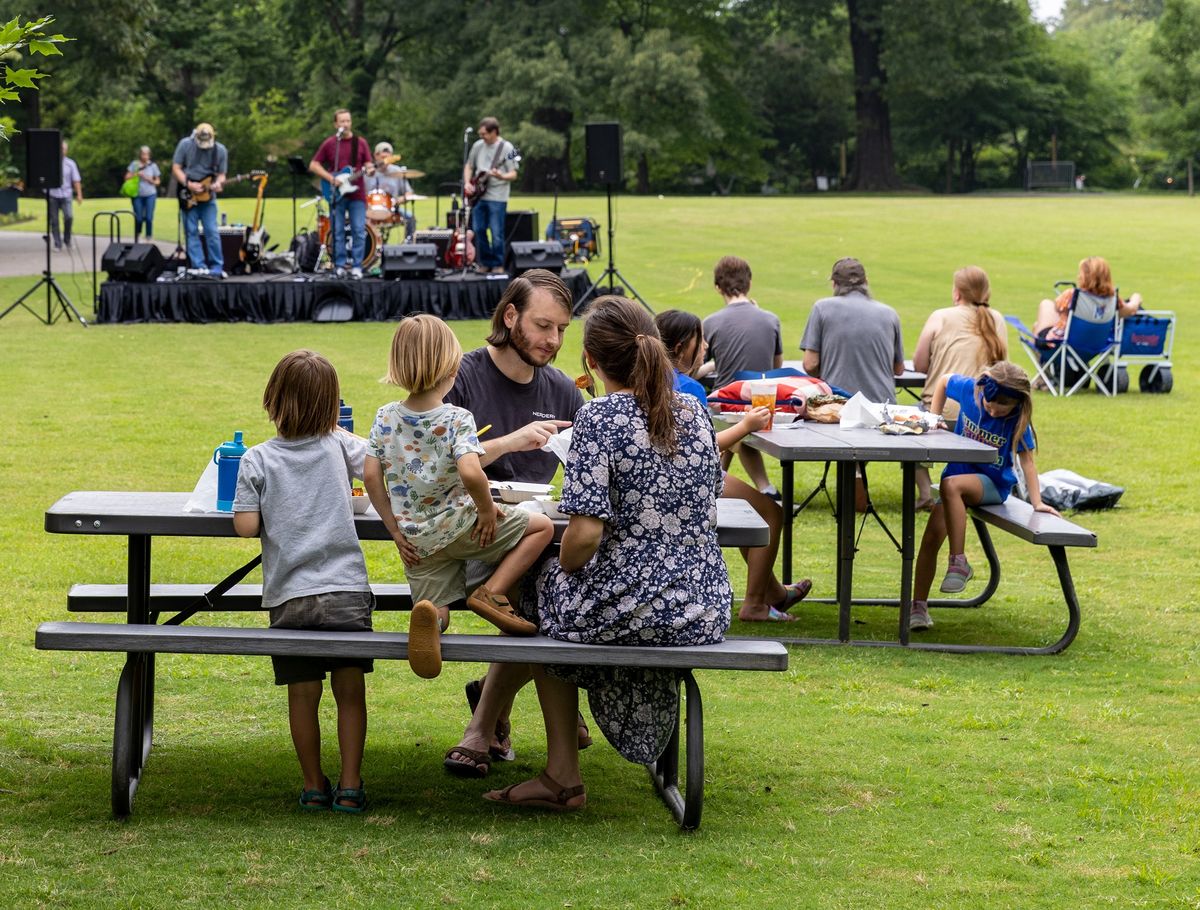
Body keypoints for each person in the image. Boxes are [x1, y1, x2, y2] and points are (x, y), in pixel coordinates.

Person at [472, 295, 732, 812]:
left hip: (634, 605)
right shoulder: (696, 415)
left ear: (590, 361)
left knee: (538, 590)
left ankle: (561, 775)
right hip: (704, 605)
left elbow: (585, 535)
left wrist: (565, 564)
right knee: (561, 595)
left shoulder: (600, 417)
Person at [363, 314, 555, 681]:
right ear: (452, 367)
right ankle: (492, 592)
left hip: (417, 540)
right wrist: (485, 510)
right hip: (465, 526)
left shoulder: (384, 417)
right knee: (542, 528)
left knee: (438, 604)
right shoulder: (456, 419)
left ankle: (431, 619)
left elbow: (372, 476)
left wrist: (395, 530)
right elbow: (470, 470)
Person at [231, 350, 373, 813]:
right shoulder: (339, 445)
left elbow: (247, 527)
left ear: (271, 399)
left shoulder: (257, 459)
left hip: (291, 596)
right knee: (350, 693)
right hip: (347, 590)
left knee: (303, 694)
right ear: (333, 407)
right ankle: (350, 785)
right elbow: (378, 463)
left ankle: (314, 785)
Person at [657, 308, 812, 622]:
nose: (705, 348)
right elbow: (701, 449)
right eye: (700, 341)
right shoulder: (689, 389)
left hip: (657, 481)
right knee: (768, 512)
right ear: (681, 347)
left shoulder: (652, 379)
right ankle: (755, 604)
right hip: (685, 483)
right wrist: (747, 426)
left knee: (751, 508)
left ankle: (777, 594)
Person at [909, 362, 1060, 632]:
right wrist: (933, 418)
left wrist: (1037, 502)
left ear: (1017, 405)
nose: (991, 412)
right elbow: (943, 381)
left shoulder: (1017, 420)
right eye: (988, 407)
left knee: (953, 485)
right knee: (931, 537)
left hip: (991, 485)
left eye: (999, 411)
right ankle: (918, 606)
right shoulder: (972, 390)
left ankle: (959, 561)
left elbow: (1028, 463)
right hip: (955, 479)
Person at [911, 266, 1008, 509]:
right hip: (980, 419)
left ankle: (924, 492)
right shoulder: (997, 319)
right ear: (987, 292)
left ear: (956, 293)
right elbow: (1003, 371)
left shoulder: (941, 316)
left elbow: (920, 364)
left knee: (908, 421)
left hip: (941, 416)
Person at [701, 256, 784, 499]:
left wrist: (710, 367)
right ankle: (718, 479)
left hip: (727, 403)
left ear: (718, 287)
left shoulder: (712, 322)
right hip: (765, 402)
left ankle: (766, 488)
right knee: (737, 433)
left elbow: (694, 366)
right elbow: (776, 365)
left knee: (736, 431)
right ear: (749, 284)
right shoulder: (770, 319)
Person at [309, 110, 373, 279]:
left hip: (356, 195)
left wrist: (371, 170)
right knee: (337, 231)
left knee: (359, 230)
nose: (345, 124)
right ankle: (339, 265)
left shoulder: (361, 143)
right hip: (336, 195)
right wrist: (331, 178)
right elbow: (314, 165)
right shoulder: (330, 144)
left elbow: (368, 165)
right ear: (336, 124)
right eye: (342, 121)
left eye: (348, 121)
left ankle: (357, 266)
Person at [1031, 256, 1142, 345]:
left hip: (1060, 345)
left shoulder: (1072, 295)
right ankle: (1047, 370)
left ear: (1085, 276)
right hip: (1094, 346)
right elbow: (1130, 310)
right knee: (1037, 324)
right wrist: (1136, 299)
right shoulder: (1113, 300)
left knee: (1046, 305)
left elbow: (1057, 309)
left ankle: (1044, 370)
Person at [463, 116, 519, 275]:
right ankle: (485, 262)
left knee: (496, 233)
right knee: (479, 230)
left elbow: (513, 173)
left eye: (484, 134)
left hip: (497, 196)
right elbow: (469, 165)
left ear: (494, 132)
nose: (482, 137)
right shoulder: (478, 146)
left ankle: (498, 264)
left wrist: (501, 176)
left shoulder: (507, 148)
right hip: (479, 196)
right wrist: (468, 183)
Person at [172, 123, 228, 277]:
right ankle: (199, 266)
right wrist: (188, 184)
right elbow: (176, 167)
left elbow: (222, 174)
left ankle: (217, 266)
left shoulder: (220, 151)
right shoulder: (185, 145)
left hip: (208, 197)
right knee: (191, 231)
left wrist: (218, 183)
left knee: (212, 231)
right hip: (188, 194)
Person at [365, 140, 416, 239]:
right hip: (370, 210)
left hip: (392, 210)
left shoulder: (397, 171)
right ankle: (368, 248)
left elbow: (409, 192)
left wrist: (401, 199)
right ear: (376, 155)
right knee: (357, 219)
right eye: (383, 157)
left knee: (410, 218)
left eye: (388, 157)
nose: (386, 160)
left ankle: (408, 245)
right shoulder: (367, 172)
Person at [48, 139, 82, 252]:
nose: (62, 151)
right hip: (53, 194)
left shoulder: (70, 164)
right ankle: (57, 244)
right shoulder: (51, 162)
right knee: (54, 220)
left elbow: (76, 180)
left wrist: (79, 194)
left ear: (66, 151)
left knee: (69, 216)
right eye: (60, 148)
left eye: (64, 149)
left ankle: (67, 240)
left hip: (66, 194)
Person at [125, 146, 161, 241]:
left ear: (149, 155)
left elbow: (158, 181)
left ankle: (149, 236)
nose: (145, 156)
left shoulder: (153, 166)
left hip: (150, 194)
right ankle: (138, 233)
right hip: (137, 195)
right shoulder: (134, 164)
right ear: (140, 155)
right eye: (143, 154)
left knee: (149, 217)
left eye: (147, 154)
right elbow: (126, 177)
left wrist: (148, 179)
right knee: (139, 218)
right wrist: (136, 174)